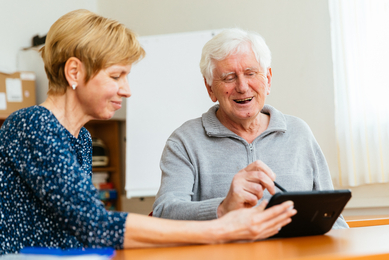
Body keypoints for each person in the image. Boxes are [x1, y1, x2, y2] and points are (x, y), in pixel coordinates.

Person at [0, 10, 297, 255]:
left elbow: (82, 227)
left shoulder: (81, 139)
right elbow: (95, 225)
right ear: (74, 72)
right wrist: (222, 227)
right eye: (116, 76)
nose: (126, 90)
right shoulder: (31, 125)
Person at [152, 28, 348, 229]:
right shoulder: (184, 141)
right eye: (229, 77)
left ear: (268, 80)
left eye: (250, 73)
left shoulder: (299, 133)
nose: (243, 87)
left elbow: (333, 218)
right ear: (210, 88)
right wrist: (222, 208)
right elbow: (163, 214)